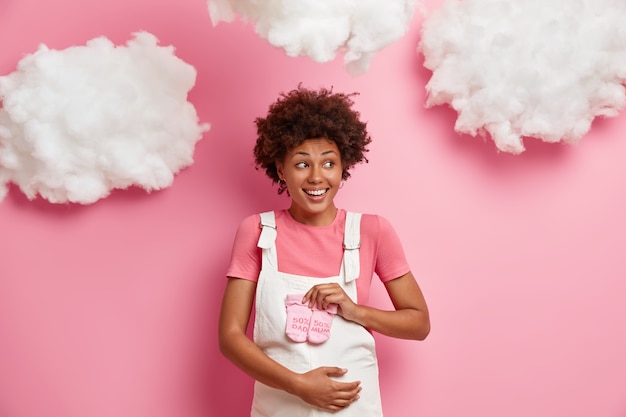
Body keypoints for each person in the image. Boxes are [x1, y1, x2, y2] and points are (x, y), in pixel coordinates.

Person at [219, 85, 430, 417]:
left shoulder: (372, 230)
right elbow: (230, 337)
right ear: (280, 169)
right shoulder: (257, 232)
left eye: (328, 163)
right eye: (302, 164)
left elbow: (419, 324)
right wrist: (299, 385)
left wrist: (354, 311)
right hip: (280, 408)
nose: (317, 177)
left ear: (343, 166)